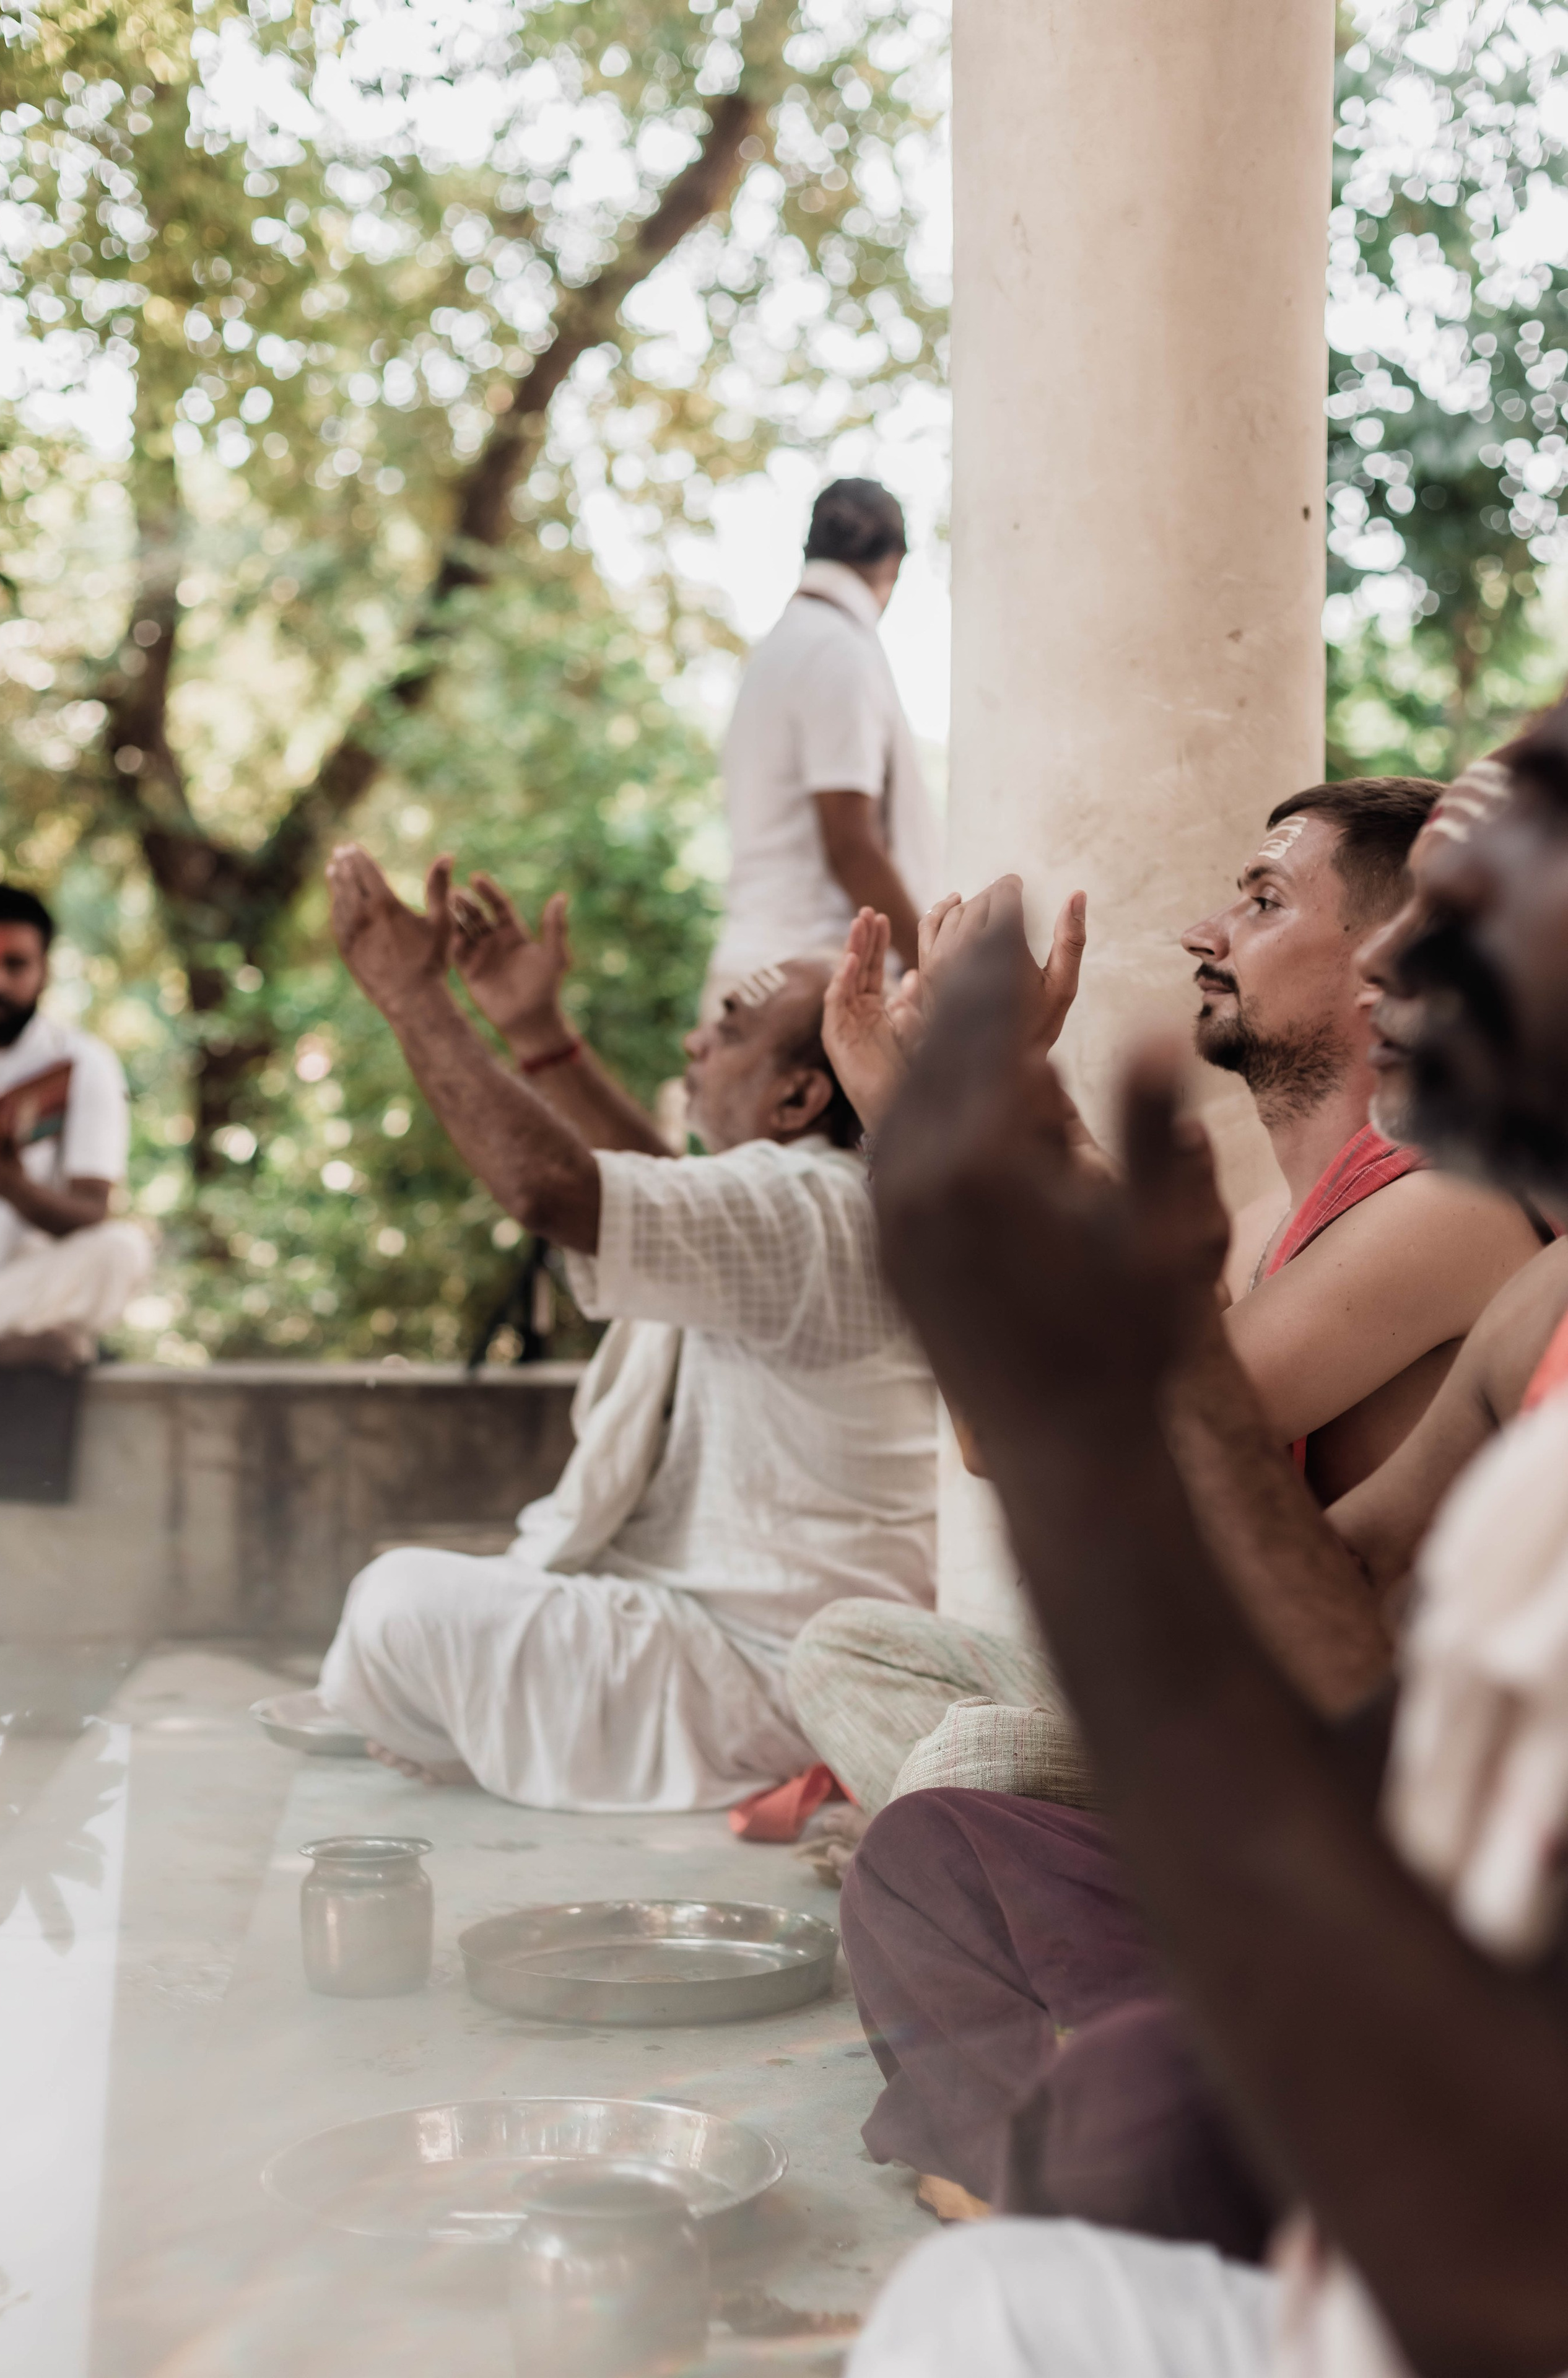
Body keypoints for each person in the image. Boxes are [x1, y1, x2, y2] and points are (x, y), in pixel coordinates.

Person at [847, 700, 1568, 2378]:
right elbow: (1352, 1640)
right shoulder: (1536, 1294)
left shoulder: (1462, 1222)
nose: (1398, 963)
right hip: (1418, 1940)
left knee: (1122, 2120)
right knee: (955, 1865)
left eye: (1464, 902)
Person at [790, 780, 1546, 1817]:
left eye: (1265, 900)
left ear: (1390, 962)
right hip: (1239, 1713)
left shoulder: (1445, 1209)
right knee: (845, 1652)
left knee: (971, 1768)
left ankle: (1055, 1879)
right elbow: (1106, 1282)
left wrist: (938, 1116)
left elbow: (1043, 1430)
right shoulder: (1280, 1226)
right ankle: (1037, 1868)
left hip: (1360, 1771)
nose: (1207, 932)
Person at [315, 847, 937, 1811]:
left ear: (799, 1099)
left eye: (729, 1030)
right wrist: (537, 1033)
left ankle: (466, 1731)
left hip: (763, 1681)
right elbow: (666, 1208)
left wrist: (412, 996)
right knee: (443, 1600)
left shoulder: (802, 1206)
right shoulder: (815, 1204)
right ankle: (474, 1723)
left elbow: (555, 1191)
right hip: (777, 1663)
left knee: (394, 1608)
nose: (695, 1045)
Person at [704, 477, 944, 1009]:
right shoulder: (837, 650)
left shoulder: (780, 648)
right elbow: (850, 842)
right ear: (894, 564)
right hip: (805, 988)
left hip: (760, 969)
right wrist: (935, 978)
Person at [0, 882, 149, 1376]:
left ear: (44, 969)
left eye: (14, 965)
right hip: (12, 1322)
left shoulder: (84, 1063)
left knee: (122, 1250)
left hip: (19, 1288)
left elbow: (92, 1210)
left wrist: (14, 1188)